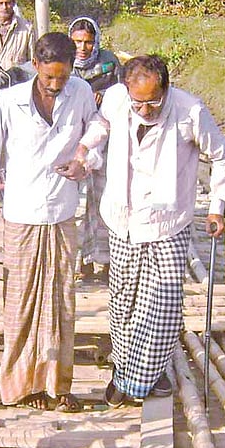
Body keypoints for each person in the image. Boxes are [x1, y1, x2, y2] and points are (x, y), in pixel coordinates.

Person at [74, 55, 225, 406]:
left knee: (161, 304)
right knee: (124, 303)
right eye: (138, 102)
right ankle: (128, 371)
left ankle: (137, 381)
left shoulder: (189, 111)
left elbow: (222, 156)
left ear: (166, 89)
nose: (145, 109)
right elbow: (102, 124)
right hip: (122, 220)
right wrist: (85, 148)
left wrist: (217, 207)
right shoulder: (118, 100)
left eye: (153, 101)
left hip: (168, 222)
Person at [0, 32, 103, 413]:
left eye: (63, 77)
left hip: (62, 211)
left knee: (61, 303)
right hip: (21, 215)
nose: (56, 86)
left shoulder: (81, 93)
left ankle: (58, 386)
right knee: (20, 303)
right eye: (48, 78)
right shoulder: (9, 102)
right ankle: (22, 386)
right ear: (35, 66)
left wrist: (83, 159)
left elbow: (98, 129)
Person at [68, 17, 124, 280]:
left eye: (88, 42)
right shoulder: (65, 65)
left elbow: (124, 95)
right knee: (72, 203)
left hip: (106, 141)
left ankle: (103, 260)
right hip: (74, 142)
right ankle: (78, 261)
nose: (83, 47)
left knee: (101, 201)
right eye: (77, 41)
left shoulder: (110, 63)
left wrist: (106, 97)